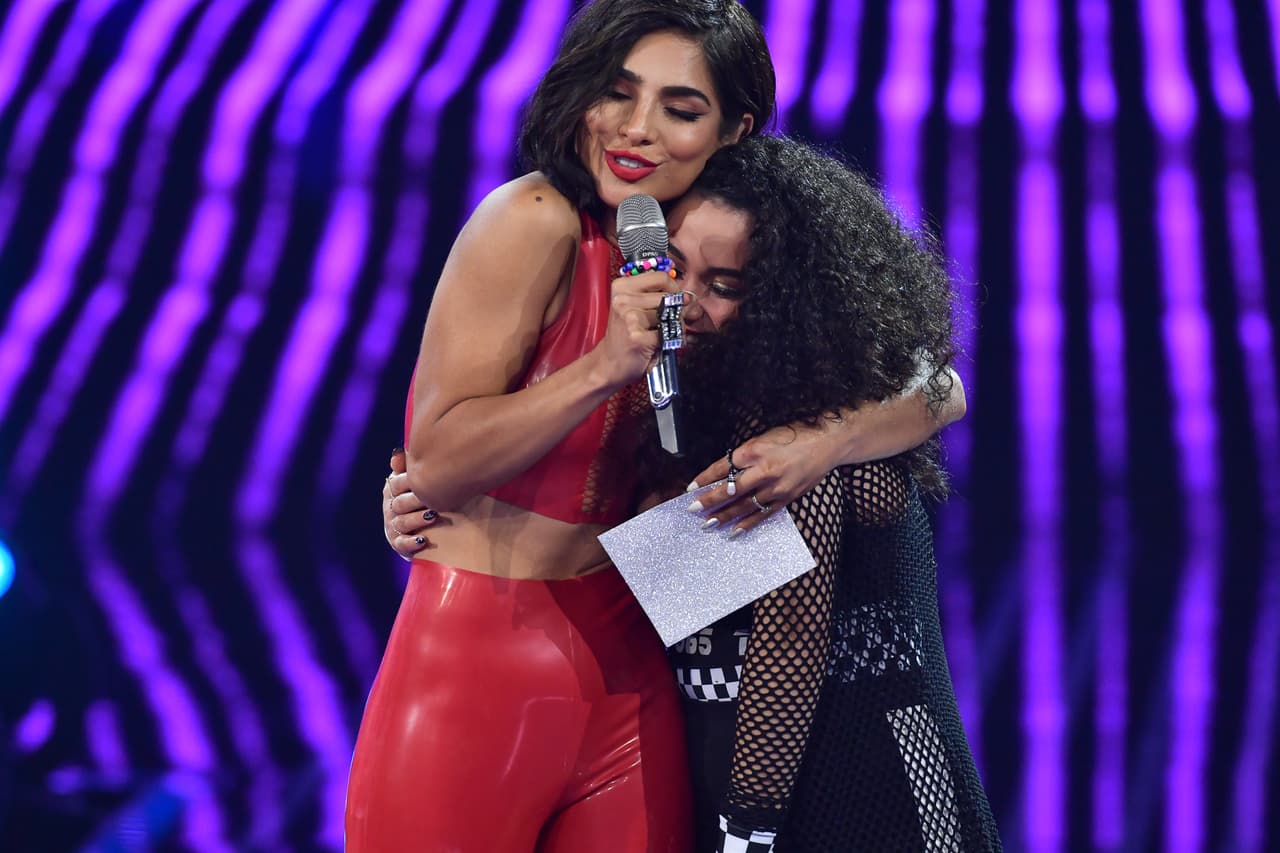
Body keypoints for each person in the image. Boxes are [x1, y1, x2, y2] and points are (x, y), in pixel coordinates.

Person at [350, 2, 966, 850]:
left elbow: (936, 387)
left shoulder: (717, 260)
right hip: (481, 655)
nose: (635, 131)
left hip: (637, 657)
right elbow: (440, 463)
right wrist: (604, 363)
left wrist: (818, 442)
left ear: (734, 129)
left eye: (680, 109)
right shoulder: (531, 220)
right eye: (617, 92)